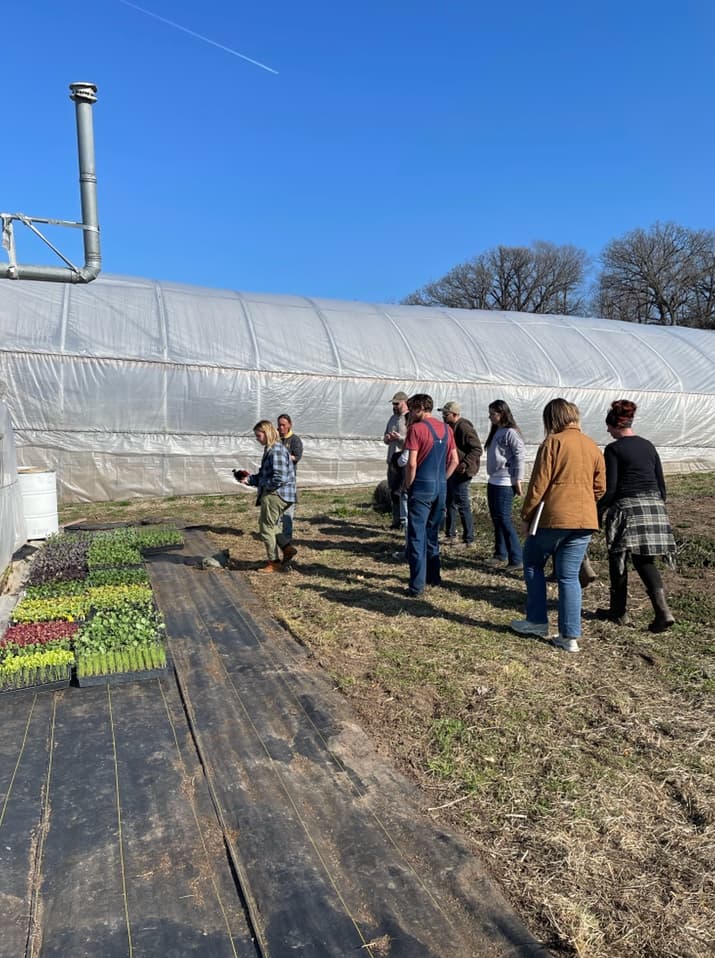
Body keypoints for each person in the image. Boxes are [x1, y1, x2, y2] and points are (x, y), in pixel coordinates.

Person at [511, 399, 605, 653]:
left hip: (554, 517)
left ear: (552, 418)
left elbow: (539, 484)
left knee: (532, 563)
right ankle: (569, 636)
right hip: (585, 520)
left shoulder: (553, 442)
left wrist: (527, 514)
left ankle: (536, 621)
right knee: (569, 576)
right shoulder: (592, 445)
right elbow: (600, 487)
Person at [595, 399, 677, 631]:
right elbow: (661, 484)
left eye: (609, 427)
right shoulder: (648, 446)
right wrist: (657, 504)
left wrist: (598, 510)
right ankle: (663, 611)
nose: (608, 432)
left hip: (628, 508)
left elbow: (611, 488)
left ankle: (618, 611)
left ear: (615, 425)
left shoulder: (614, 449)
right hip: (654, 505)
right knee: (644, 560)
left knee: (618, 557)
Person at [403, 394, 459, 596]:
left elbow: (411, 463)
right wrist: (443, 479)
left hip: (421, 487)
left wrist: (408, 485)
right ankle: (434, 577)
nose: (410, 413)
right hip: (440, 487)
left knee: (417, 536)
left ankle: (416, 586)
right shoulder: (447, 429)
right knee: (432, 533)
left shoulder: (416, 429)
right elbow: (454, 460)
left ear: (419, 408)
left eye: (411, 409)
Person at [235, 420, 297, 572]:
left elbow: (279, 478)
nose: (257, 439)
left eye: (258, 435)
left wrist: (264, 485)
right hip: (280, 493)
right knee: (270, 525)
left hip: (276, 494)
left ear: (267, 433)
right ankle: (287, 549)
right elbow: (265, 475)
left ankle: (274, 562)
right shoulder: (271, 450)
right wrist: (249, 479)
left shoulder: (276, 450)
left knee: (266, 528)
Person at [484, 400, 526, 570]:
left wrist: (518, 479)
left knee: (504, 519)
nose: (490, 417)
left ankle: (517, 557)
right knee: (497, 519)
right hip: (494, 480)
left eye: (493, 414)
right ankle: (500, 553)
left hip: (505, 481)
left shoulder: (511, 433)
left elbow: (519, 456)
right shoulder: (497, 431)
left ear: (502, 414)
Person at [440, 401, 482, 548]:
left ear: (455, 414)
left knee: (462, 503)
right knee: (450, 501)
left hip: (463, 471)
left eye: (446, 414)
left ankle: (469, 539)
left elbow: (477, 449)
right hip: (454, 469)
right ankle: (450, 534)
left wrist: (464, 464)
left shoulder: (463, 427)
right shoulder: (450, 427)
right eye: (443, 414)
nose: (443, 417)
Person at [383, 391, 409, 530]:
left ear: (405, 402)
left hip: (404, 460)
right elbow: (385, 438)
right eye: (393, 404)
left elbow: (413, 442)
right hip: (392, 459)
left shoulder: (409, 419)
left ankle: (405, 522)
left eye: (397, 404)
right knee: (393, 491)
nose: (394, 406)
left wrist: (399, 438)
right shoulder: (392, 418)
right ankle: (396, 521)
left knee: (403, 492)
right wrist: (387, 438)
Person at [277, 413, 303, 542]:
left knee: (288, 511)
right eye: (279, 425)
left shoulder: (294, 440)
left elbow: (296, 457)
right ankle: (276, 535)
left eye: (283, 425)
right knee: (275, 510)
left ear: (290, 425)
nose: (281, 427)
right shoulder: (275, 438)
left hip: (288, 480)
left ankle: (287, 538)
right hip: (276, 479)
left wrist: (281, 455)